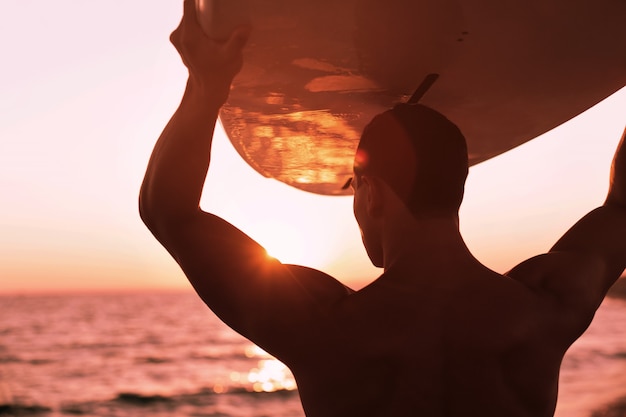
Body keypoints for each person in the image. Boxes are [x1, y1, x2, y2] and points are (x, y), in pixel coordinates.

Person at [139, 1, 626, 415]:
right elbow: (623, 206)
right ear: (458, 183)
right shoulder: (546, 305)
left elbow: (170, 212)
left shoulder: (322, 325)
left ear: (370, 194)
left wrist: (206, 86)